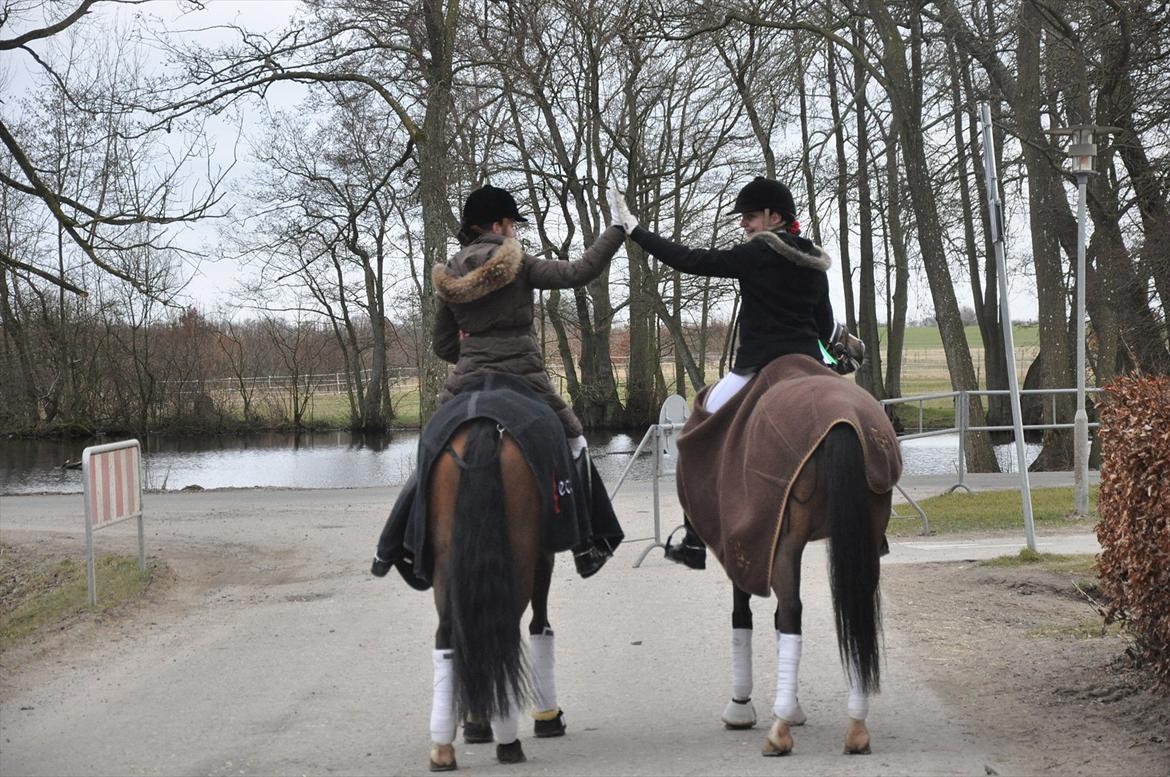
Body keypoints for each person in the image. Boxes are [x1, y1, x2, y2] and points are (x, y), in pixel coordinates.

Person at [373, 184, 625, 581]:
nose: (515, 231)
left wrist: (475, 354)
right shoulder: (520, 262)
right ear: (498, 224)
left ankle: (394, 547)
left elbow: (442, 344)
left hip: (467, 380)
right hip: (525, 376)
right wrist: (618, 229)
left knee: (431, 450)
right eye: (512, 223)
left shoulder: (452, 271)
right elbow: (581, 271)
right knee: (575, 441)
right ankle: (587, 545)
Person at [610, 176, 863, 569]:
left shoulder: (755, 255)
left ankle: (694, 540)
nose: (743, 225)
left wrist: (637, 231)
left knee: (696, 434)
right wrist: (842, 351)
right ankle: (871, 526)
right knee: (858, 418)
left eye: (748, 217)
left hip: (757, 367)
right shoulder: (815, 262)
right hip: (808, 366)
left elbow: (692, 260)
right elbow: (824, 324)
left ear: (774, 216)